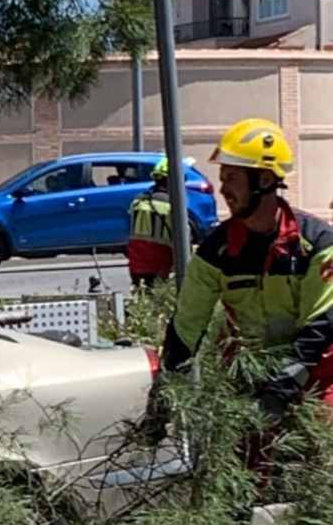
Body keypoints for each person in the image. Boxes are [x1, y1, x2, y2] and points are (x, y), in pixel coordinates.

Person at [149, 117, 333, 434]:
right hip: (249, 378)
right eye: (222, 178)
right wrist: (166, 393)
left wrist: (281, 391)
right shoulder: (215, 252)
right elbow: (186, 326)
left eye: (231, 178)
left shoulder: (316, 244)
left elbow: (320, 327)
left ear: (263, 179)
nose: (223, 189)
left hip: (315, 377)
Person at [127, 158, 174, 287]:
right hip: (160, 263)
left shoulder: (138, 201)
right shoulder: (171, 205)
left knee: (142, 297)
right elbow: (180, 237)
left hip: (136, 264)